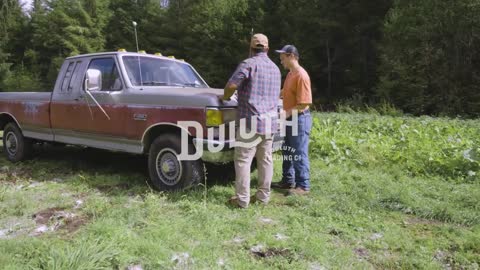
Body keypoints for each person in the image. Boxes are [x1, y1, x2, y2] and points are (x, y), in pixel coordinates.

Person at [222, 33, 281, 208]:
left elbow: (232, 85)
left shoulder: (248, 64)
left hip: (250, 122)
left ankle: (242, 200)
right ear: (267, 48)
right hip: (270, 123)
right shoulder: (275, 68)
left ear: (251, 47)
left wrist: (225, 97)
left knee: (243, 160)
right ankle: (263, 198)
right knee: (266, 160)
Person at [272, 45, 313, 196]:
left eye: (282, 57)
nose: (280, 60)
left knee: (298, 152)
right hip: (290, 120)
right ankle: (287, 181)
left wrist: (286, 113)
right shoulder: (290, 74)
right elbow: (285, 92)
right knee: (287, 150)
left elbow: (304, 104)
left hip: (299, 119)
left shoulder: (301, 75)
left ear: (291, 56)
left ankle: (303, 186)